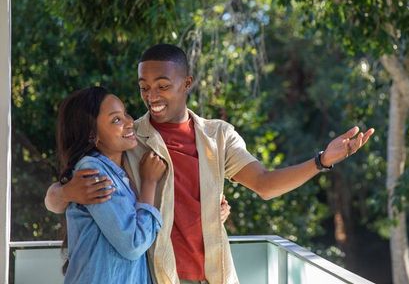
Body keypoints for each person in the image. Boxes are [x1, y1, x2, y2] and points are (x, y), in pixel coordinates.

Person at [45, 44, 374, 284]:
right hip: (160, 276)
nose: (151, 96)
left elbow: (264, 184)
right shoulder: (132, 137)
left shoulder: (218, 136)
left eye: (163, 85)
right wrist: (65, 192)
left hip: (214, 274)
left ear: (187, 83)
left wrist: (321, 161)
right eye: (144, 88)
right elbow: (62, 195)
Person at [55, 86, 167, 283]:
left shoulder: (120, 171)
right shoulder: (92, 171)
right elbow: (133, 243)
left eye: (125, 114)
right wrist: (149, 182)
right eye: (116, 120)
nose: (130, 122)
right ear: (92, 135)